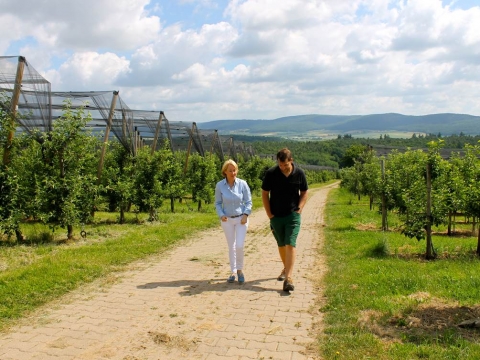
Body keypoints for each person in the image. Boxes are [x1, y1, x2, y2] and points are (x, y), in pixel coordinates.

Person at [261, 148, 308, 292]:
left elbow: (304, 191)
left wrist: (299, 208)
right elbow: (264, 193)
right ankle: (286, 269)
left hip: (292, 215)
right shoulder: (271, 173)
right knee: (281, 244)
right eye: (280, 165)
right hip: (276, 216)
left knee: (290, 243)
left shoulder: (299, 173)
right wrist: (269, 214)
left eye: (285, 165)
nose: (282, 168)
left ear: (291, 161)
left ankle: (289, 278)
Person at [215, 159, 252, 284]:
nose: (233, 173)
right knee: (231, 246)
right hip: (227, 220)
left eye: (234, 170)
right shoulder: (220, 186)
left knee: (239, 245)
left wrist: (246, 214)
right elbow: (218, 203)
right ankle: (233, 272)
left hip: (241, 219)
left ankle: (240, 270)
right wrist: (221, 215)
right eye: (230, 170)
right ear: (225, 172)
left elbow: (248, 201)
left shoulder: (243, 184)